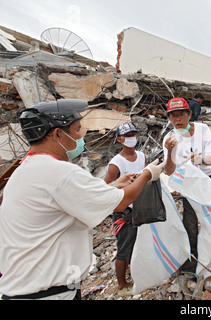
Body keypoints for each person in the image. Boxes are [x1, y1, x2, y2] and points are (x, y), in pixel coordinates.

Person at [0, 99, 165, 300]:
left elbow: (76, 198)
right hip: (48, 293)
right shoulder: (60, 172)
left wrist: (113, 186)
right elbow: (121, 202)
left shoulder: (27, 170)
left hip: (26, 288)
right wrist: (149, 174)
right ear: (58, 134)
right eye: (77, 130)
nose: (81, 137)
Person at [162, 97, 211, 275]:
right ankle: (191, 261)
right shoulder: (170, 138)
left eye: (181, 115)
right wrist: (170, 151)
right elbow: (169, 171)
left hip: (208, 179)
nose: (177, 120)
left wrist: (201, 159)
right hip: (189, 184)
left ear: (189, 114)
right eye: (173, 116)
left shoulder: (202, 129)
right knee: (190, 223)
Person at [104, 122, 146, 297]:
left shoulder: (142, 156)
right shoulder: (116, 163)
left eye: (133, 134)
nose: (131, 138)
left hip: (139, 207)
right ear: (119, 139)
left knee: (136, 243)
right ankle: (122, 285)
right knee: (124, 248)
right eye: (127, 136)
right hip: (123, 211)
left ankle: (131, 272)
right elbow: (106, 186)